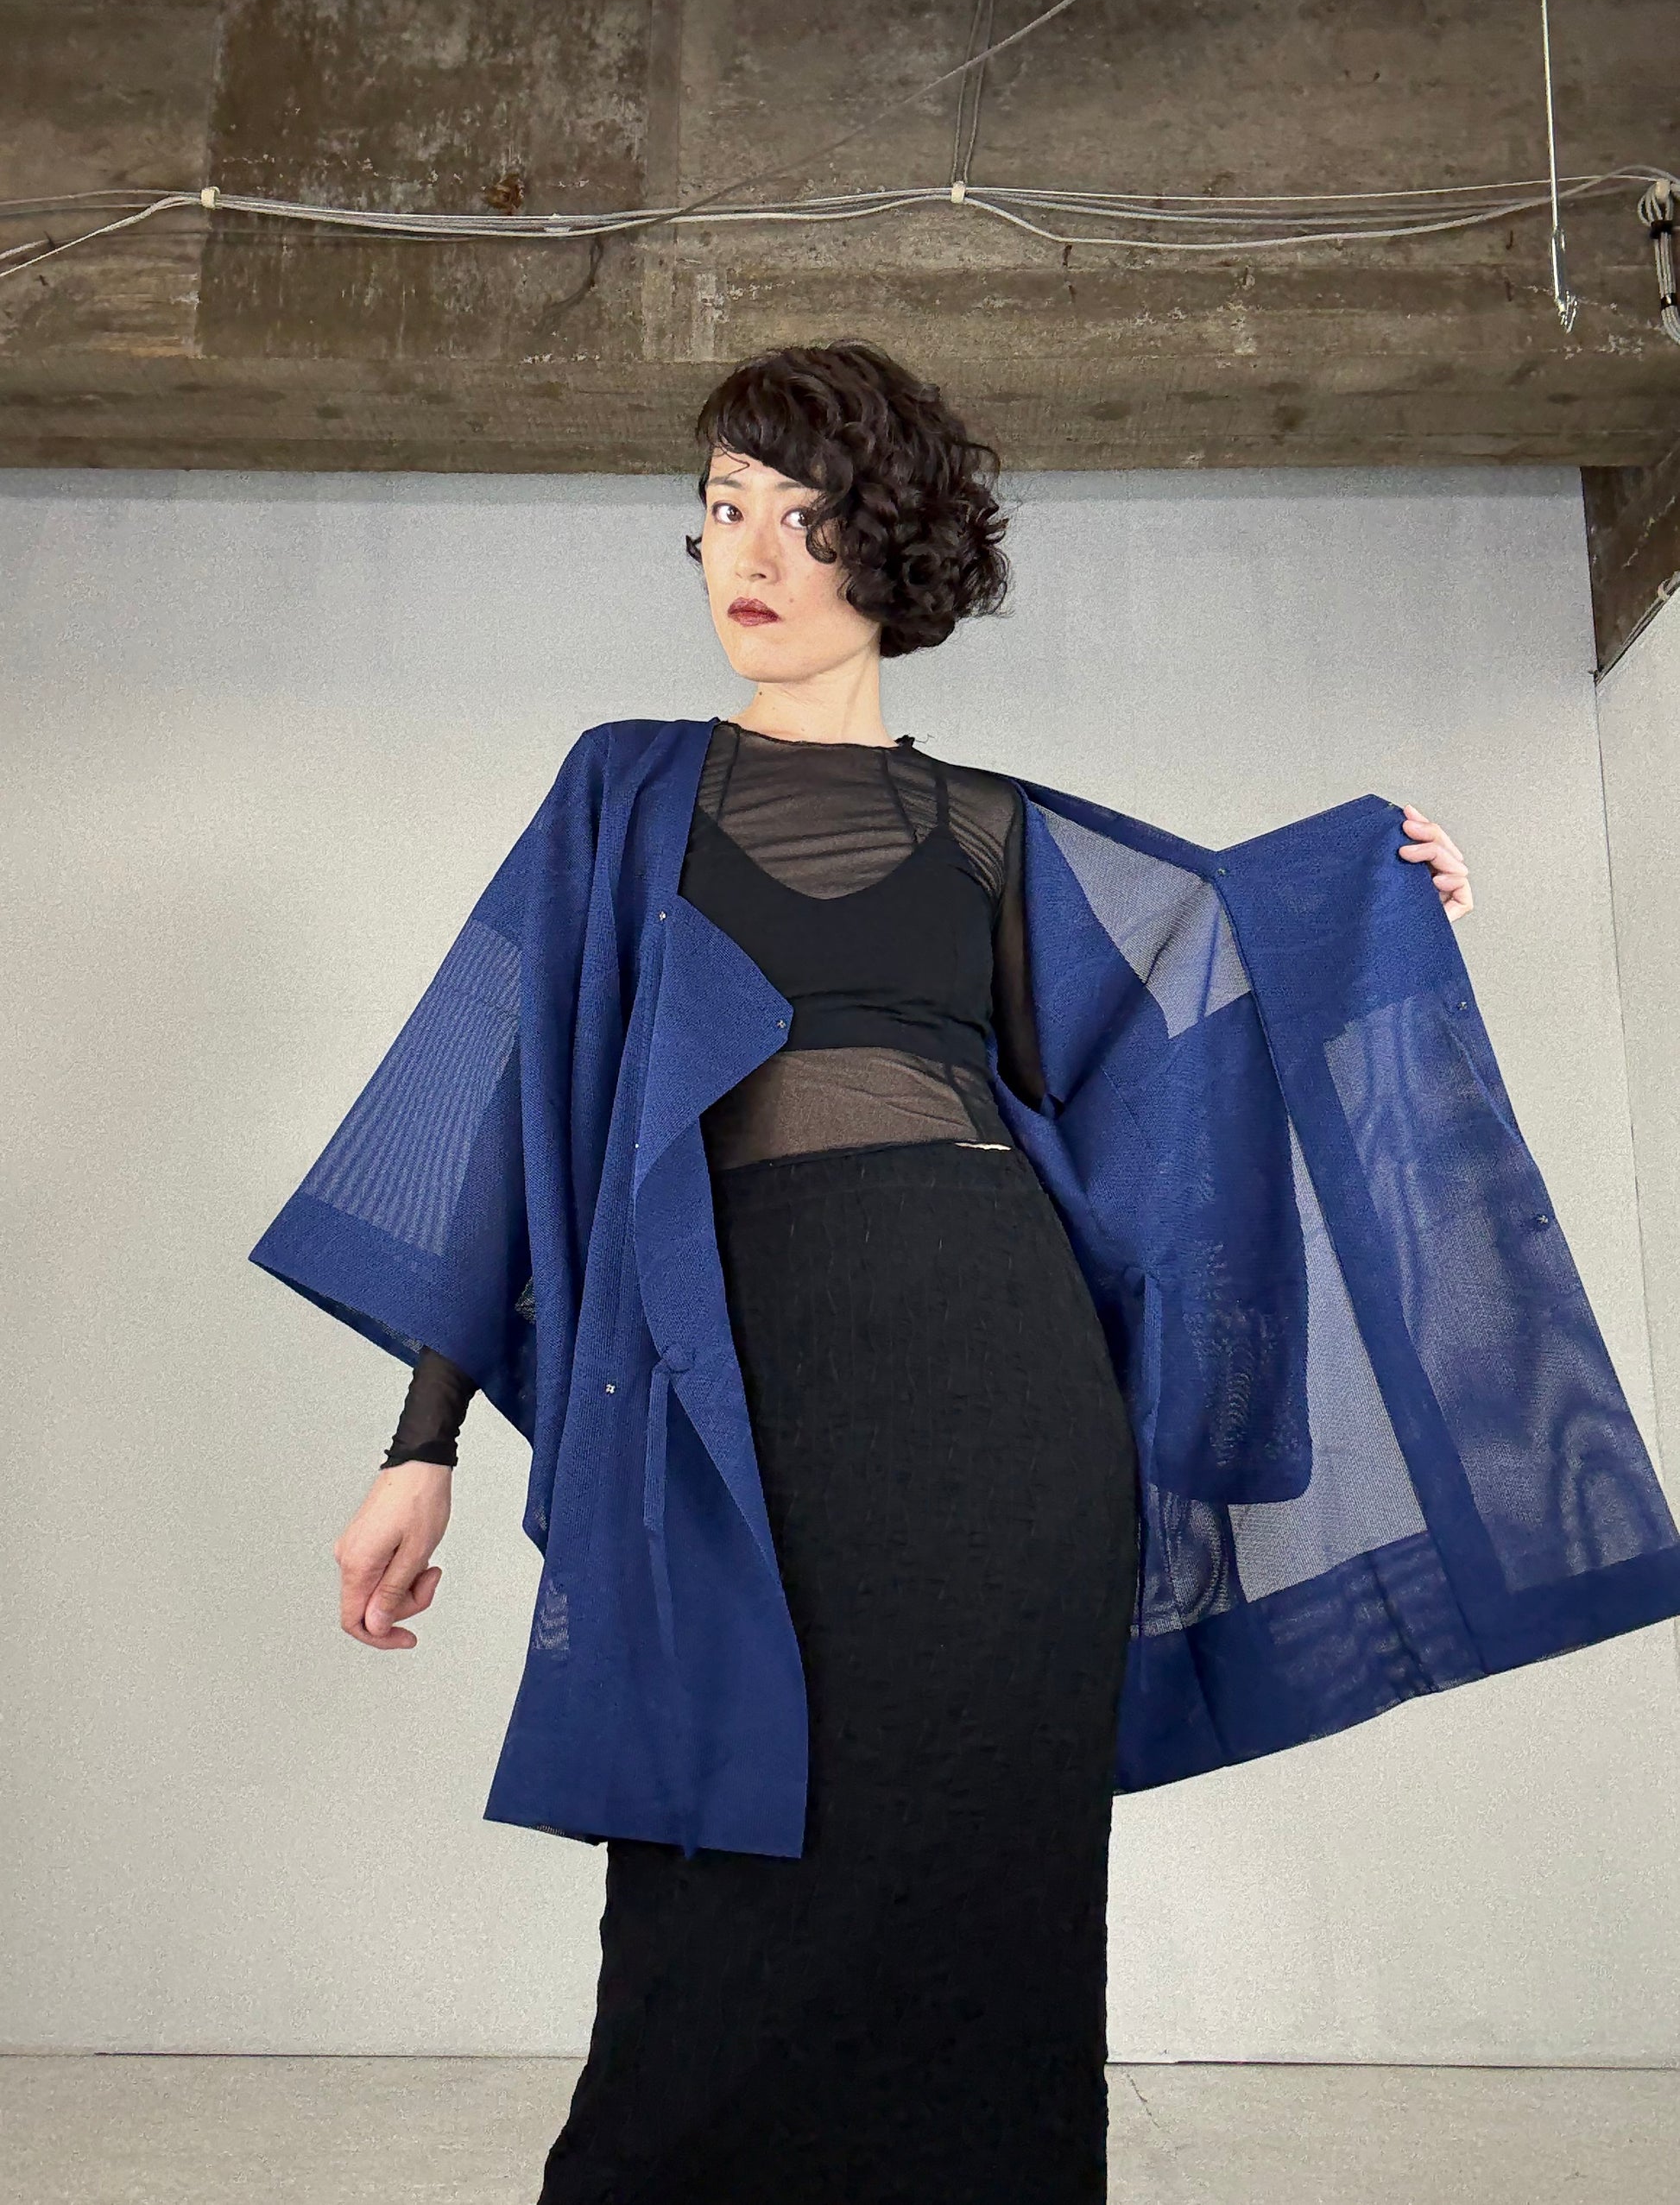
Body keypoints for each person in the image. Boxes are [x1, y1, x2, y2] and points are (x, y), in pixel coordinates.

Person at [299, 341, 1481, 2202]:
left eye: (805, 513)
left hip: (998, 1401)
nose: (750, 552)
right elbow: (512, 1105)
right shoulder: (624, 791)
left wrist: (1379, 882)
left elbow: (1203, 992)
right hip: (735, 1401)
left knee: (983, 1894)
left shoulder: (991, 830)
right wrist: (420, 1438)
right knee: (713, 1905)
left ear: (894, 543)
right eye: (721, 509)